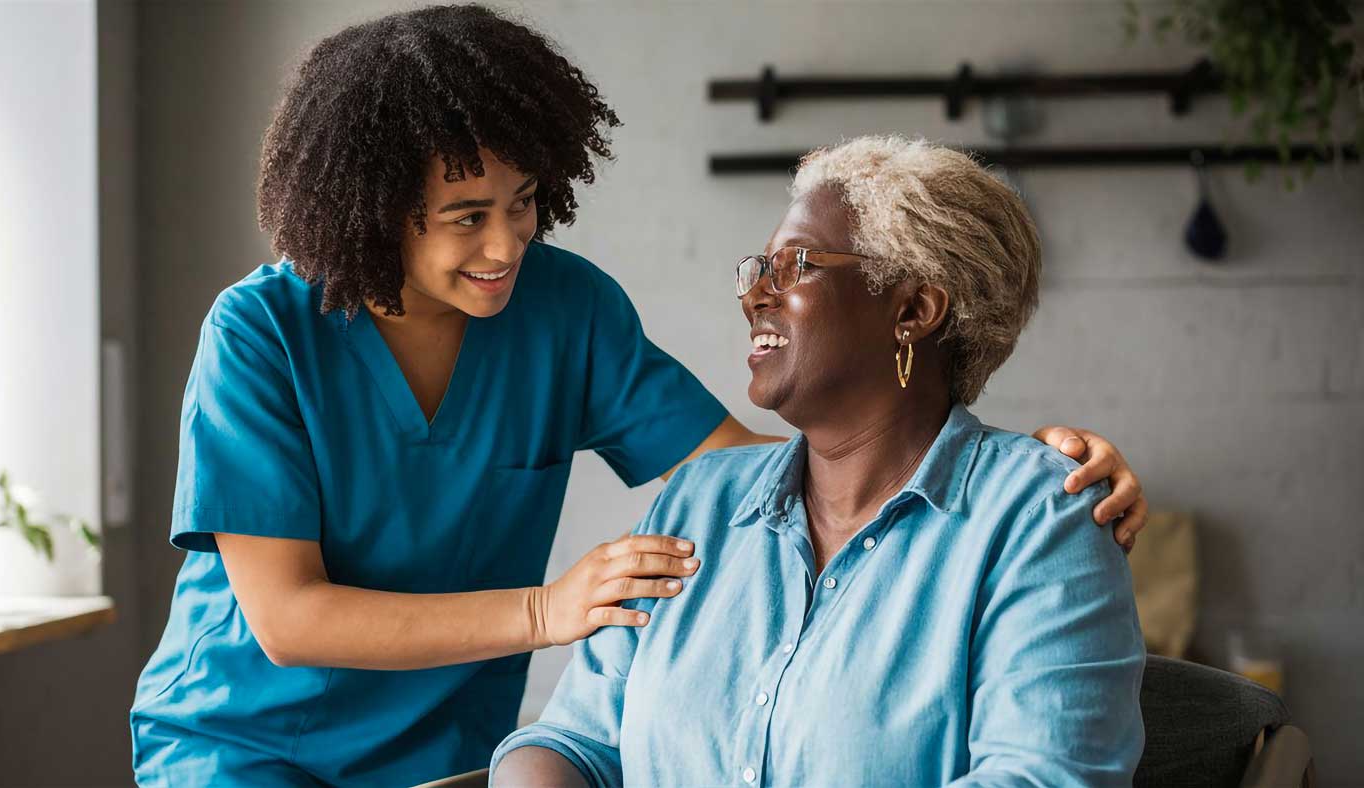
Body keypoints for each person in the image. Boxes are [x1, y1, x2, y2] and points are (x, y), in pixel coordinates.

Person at [130, 7, 1148, 786]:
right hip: (248, 743)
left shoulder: (561, 308)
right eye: (464, 216)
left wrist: (1015, 468)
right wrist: (546, 608)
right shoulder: (261, 333)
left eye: (524, 202)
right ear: (373, 212)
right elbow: (287, 618)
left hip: (442, 748)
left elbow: (772, 470)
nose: (506, 244)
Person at [491, 136, 1146, 787]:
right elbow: (575, 741)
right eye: (758, 268)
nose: (755, 296)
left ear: (913, 310)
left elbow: (1044, 778)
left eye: (796, 264)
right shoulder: (697, 503)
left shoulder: (1038, 519)